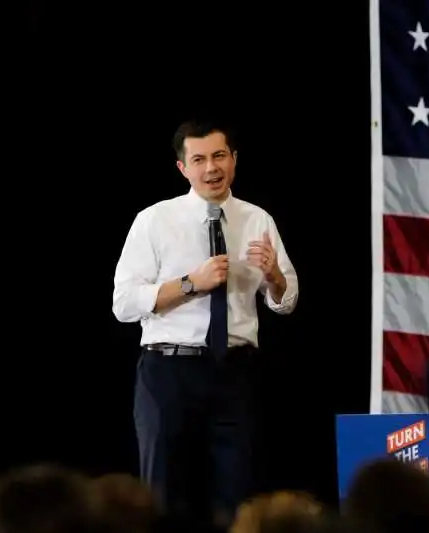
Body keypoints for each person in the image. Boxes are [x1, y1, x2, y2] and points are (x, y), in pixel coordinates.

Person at [112, 119, 299, 527]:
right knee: (162, 495)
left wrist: (274, 277)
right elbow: (124, 303)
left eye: (219, 156)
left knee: (239, 496)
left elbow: (285, 302)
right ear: (183, 168)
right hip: (168, 372)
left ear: (234, 159)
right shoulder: (154, 220)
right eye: (199, 159)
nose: (211, 168)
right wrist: (190, 284)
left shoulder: (257, 219)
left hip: (235, 372)